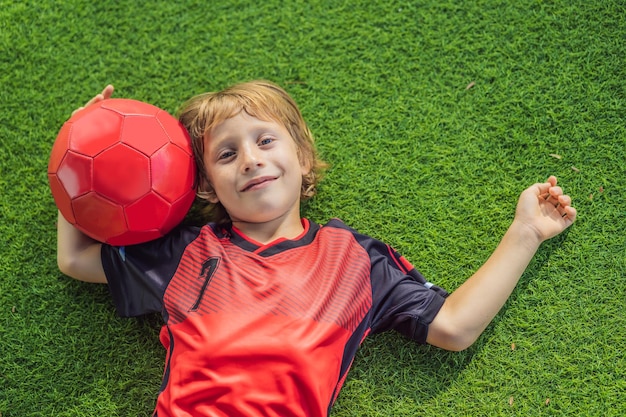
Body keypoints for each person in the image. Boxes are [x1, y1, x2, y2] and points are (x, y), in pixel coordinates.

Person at [57, 81, 577, 417]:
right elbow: (76, 258)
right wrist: (82, 157)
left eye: (265, 141)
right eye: (227, 153)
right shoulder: (187, 253)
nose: (250, 161)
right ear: (208, 185)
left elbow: (454, 327)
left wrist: (525, 232)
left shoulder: (354, 260)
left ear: (302, 157)